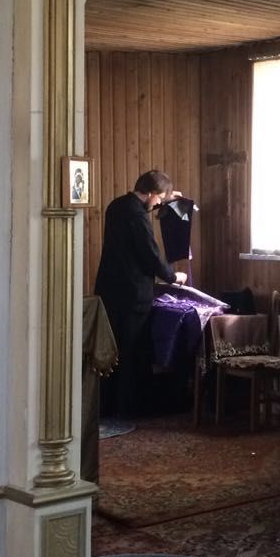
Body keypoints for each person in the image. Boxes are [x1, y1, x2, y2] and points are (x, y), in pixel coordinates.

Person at [93, 169, 187, 418]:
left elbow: (144, 212)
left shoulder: (117, 206)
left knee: (110, 350)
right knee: (130, 352)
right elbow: (151, 254)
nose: (157, 205)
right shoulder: (137, 216)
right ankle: (126, 409)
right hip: (132, 296)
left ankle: (107, 406)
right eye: (159, 199)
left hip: (108, 290)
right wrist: (172, 276)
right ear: (152, 193)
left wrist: (167, 198)